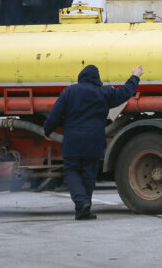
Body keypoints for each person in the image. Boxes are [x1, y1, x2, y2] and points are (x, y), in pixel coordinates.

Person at [44, 63, 143, 220]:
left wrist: (47, 130)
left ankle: (82, 203)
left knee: (72, 172)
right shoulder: (103, 93)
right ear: (97, 78)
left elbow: (55, 114)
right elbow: (125, 93)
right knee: (88, 175)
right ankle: (83, 210)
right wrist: (135, 76)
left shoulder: (69, 92)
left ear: (81, 77)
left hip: (73, 141)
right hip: (94, 141)